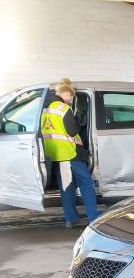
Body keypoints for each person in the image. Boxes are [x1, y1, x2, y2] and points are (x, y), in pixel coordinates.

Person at [41, 81, 99, 228]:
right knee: (86, 184)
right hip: (71, 152)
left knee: (66, 188)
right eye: (71, 97)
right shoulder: (63, 108)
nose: (71, 100)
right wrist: (78, 118)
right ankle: (94, 218)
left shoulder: (43, 109)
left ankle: (70, 219)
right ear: (66, 93)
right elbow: (72, 131)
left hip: (56, 155)